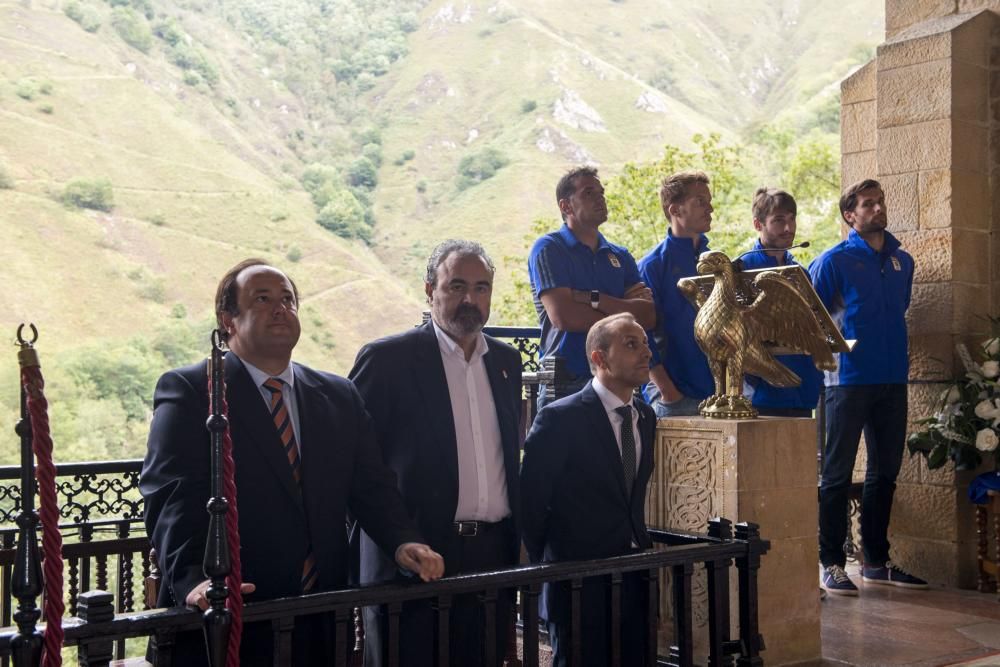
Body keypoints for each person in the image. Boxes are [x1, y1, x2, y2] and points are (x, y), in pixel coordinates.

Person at [141, 259, 444, 666]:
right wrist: (193, 579)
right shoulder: (193, 390)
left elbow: (372, 487)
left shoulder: (338, 395)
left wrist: (403, 540)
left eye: (288, 299)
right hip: (229, 615)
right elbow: (170, 496)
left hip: (318, 618)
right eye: (262, 299)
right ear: (227, 319)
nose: (280, 308)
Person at [350, 240, 523, 667]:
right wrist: (398, 542)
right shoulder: (387, 360)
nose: (471, 299)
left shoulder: (505, 361)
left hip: (490, 558)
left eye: (482, 288)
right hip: (412, 561)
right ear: (430, 290)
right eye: (457, 286)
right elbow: (358, 466)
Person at [809, 179, 927, 596]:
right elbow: (814, 321)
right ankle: (831, 563)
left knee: (885, 473)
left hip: (893, 379)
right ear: (850, 215)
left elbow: (901, 309)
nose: (877, 208)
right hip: (846, 381)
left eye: (880, 202)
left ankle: (876, 561)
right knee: (836, 475)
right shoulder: (832, 262)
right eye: (867, 204)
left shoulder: (903, 261)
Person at [521, 312, 656, 667]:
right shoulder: (560, 418)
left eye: (645, 343)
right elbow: (532, 503)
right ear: (599, 358)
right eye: (631, 344)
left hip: (634, 575)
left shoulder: (646, 416)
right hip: (577, 581)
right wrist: (546, 572)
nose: (646, 352)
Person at [528, 166, 656, 409]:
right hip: (568, 378)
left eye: (601, 192)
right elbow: (564, 317)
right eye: (589, 193)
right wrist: (625, 310)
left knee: (623, 447)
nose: (600, 198)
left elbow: (648, 316)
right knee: (569, 448)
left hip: (619, 377)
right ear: (566, 206)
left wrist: (593, 299)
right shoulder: (549, 249)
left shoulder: (620, 255)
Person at [739, 187, 823, 417]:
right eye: (778, 220)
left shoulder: (801, 273)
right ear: (758, 225)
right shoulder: (742, 268)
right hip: (763, 394)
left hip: (802, 390)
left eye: (791, 219)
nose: (788, 228)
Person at [639, 170, 716, 417]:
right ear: (675, 210)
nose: (710, 209)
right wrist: (667, 391)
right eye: (700, 201)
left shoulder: (716, 261)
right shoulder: (652, 265)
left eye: (710, 201)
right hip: (673, 394)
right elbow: (643, 332)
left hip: (716, 392)